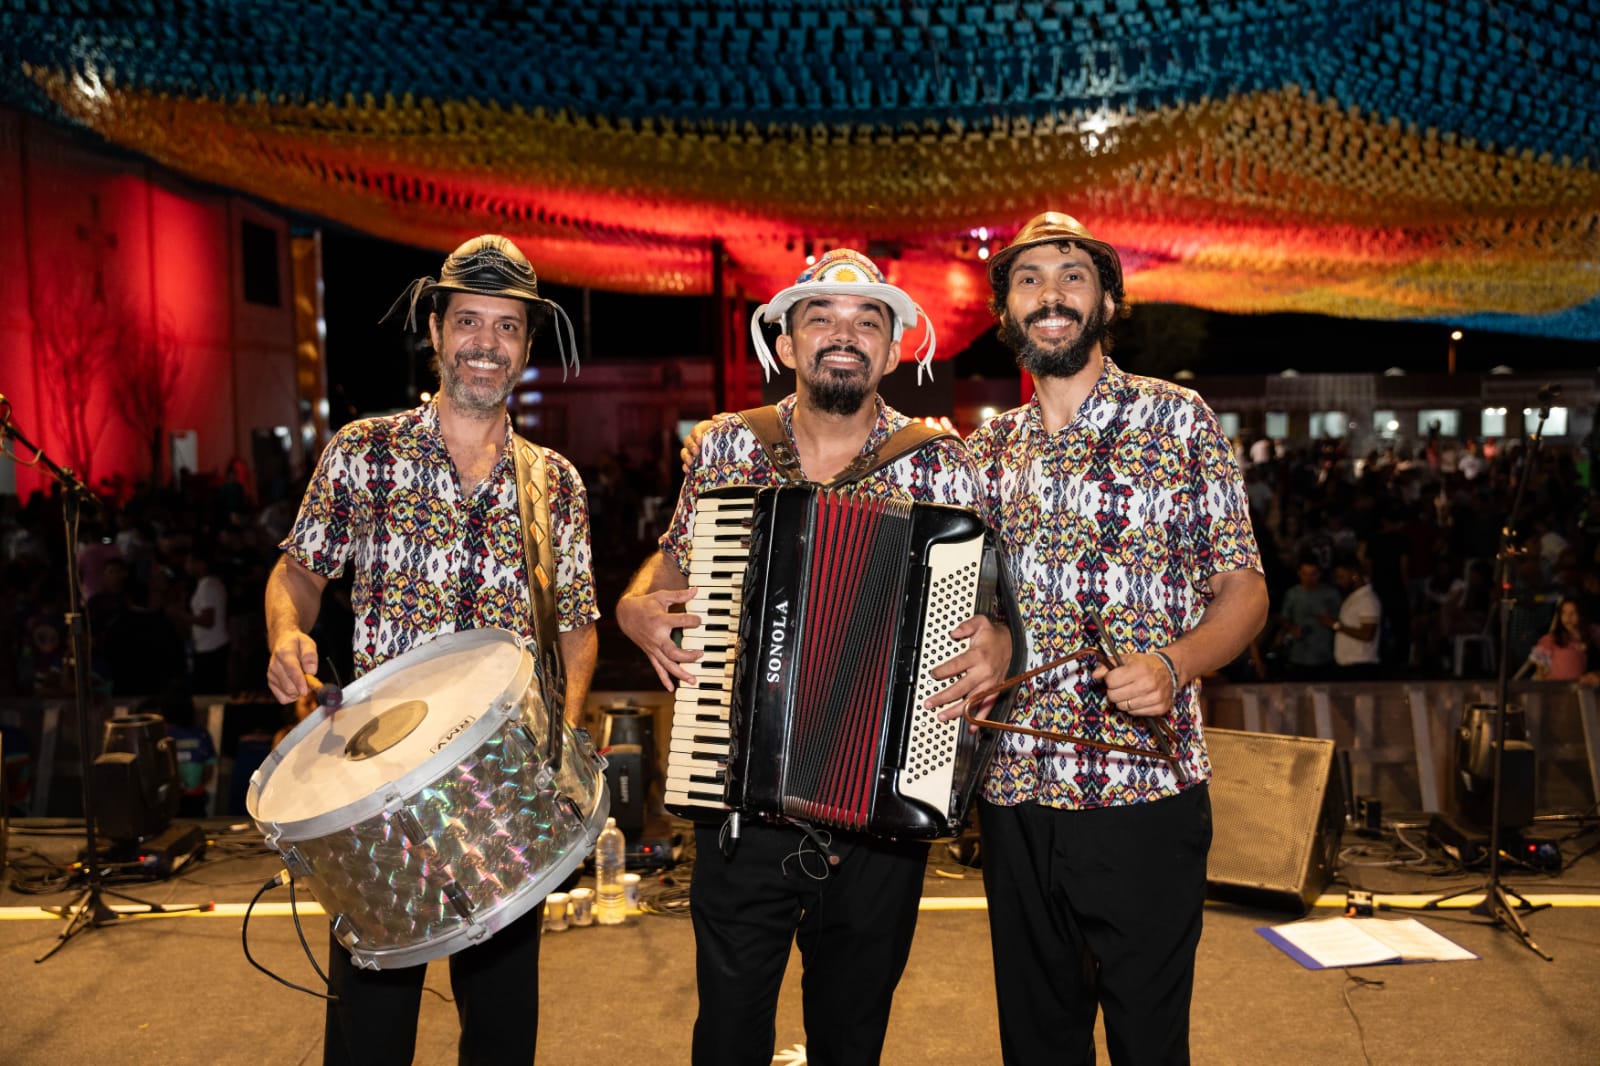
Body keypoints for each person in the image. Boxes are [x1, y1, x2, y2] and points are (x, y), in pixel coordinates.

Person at [616, 248, 1011, 1066]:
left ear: (893, 348)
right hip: (738, 798)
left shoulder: (939, 462)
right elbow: (674, 562)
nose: (844, 334)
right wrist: (634, 604)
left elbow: (988, 608)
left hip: (879, 815)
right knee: (726, 1039)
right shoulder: (727, 446)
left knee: (850, 1038)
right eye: (821, 319)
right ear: (787, 344)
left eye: (868, 321)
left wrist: (999, 638)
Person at [263, 234, 598, 1066]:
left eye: (508, 327)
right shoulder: (363, 452)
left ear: (525, 343)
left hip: (501, 794)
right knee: (369, 1040)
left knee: (501, 1036)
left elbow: (578, 631)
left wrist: (554, 748)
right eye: (470, 322)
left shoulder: (552, 480)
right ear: (438, 330)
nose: (487, 344)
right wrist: (285, 632)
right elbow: (297, 576)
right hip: (375, 792)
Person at [955, 212, 1268, 1064]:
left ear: (1108, 302)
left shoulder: (1179, 420)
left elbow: (1243, 591)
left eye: (1071, 276)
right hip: (1015, 794)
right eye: (1028, 280)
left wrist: (1176, 664)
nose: (1050, 295)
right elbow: (963, 615)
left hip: (1145, 792)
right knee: (1038, 1044)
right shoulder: (983, 451)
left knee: (1149, 1044)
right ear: (1005, 311)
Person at [1275, 559, 1341, 678]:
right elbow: (1284, 617)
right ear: (1299, 573)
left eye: (1313, 574)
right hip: (1298, 655)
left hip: (1324, 655)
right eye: (1305, 574)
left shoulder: (1331, 594)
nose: (1309, 578)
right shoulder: (1292, 594)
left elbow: (1340, 620)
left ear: (1319, 574)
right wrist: (1291, 627)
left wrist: (1330, 623)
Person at [1321, 555, 1382, 678]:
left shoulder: (1367, 600)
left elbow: (1367, 634)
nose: (1339, 581)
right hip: (1349, 666)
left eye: (1341, 577)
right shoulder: (1354, 597)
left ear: (1354, 575)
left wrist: (1336, 625)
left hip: (1361, 666)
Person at [1529, 596, 1600, 684]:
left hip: (1580, 687)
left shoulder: (1592, 634)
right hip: (1556, 688)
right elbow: (1540, 669)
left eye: (1573, 613)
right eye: (1564, 613)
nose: (1568, 617)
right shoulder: (1552, 639)